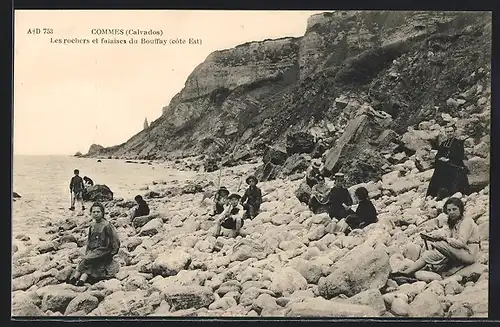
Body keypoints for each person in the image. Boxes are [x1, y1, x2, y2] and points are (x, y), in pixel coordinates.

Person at [391, 197, 480, 277]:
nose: (451, 212)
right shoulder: (453, 222)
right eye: (449, 210)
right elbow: (447, 235)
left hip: (470, 253)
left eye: (454, 209)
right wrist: (432, 236)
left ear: (460, 209)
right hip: (458, 251)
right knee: (428, 254)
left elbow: (461, 243)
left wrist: (444, 239)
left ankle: (456, 264)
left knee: (439, 244)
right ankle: (408, 272)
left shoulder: (466, 221)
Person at [68, 202, 120, 286]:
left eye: (98, 212)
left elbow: (115, 240)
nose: (96, 214)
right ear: (91, 213)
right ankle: (78, 279)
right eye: (93, 212)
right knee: (88, 259)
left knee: (87, 259)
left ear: (102, 213)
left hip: (104, 249)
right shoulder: (92, 225)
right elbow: (89, 240)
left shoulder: (106, 225)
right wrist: (88, 251)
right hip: (94, 250)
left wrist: (112, 253)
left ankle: (79, 279)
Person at [426, 126, 470, 199]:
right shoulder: (443, 143)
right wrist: (441, 158)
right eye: (448, 132)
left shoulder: (458, 142)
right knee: (438, 169)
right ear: (446, 133)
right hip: (444, 163)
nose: (449, 133)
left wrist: (449, 159)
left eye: (451, 131)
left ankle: (452, 192)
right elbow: (438, 155)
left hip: (455, 164)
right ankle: (435, 193)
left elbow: (460, 155)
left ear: (454, 132)